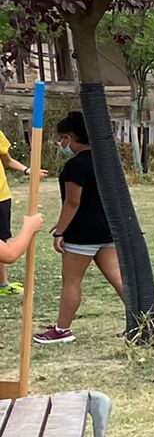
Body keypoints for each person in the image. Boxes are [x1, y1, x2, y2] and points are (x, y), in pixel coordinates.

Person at [32, 111, 124, 346]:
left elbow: (73, 202)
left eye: (61, 138)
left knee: (71, 282)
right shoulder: (107, 160)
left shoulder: (75, 166)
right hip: (107, 229)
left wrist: (60, 231)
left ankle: (62, 330)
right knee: (119, 279)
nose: (60, 143)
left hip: (83, 233)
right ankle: (142, 320)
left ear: (70, 137)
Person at [0, 125, 26, 295]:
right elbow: (11, 255)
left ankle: (2, 283)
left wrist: (27, 170)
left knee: (1, 240)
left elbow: (7, 160)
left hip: (1, 196)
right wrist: (30, 227)